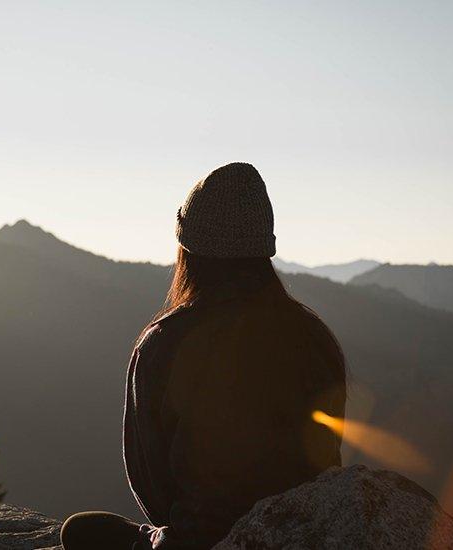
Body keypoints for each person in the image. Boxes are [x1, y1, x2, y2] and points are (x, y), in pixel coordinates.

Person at [60, 162, 347, 550]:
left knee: (82, 531)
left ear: (189, 250)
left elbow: (150, 478)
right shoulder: (315, 338)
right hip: (307, 534)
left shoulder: (166, 342)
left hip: (201, 543)